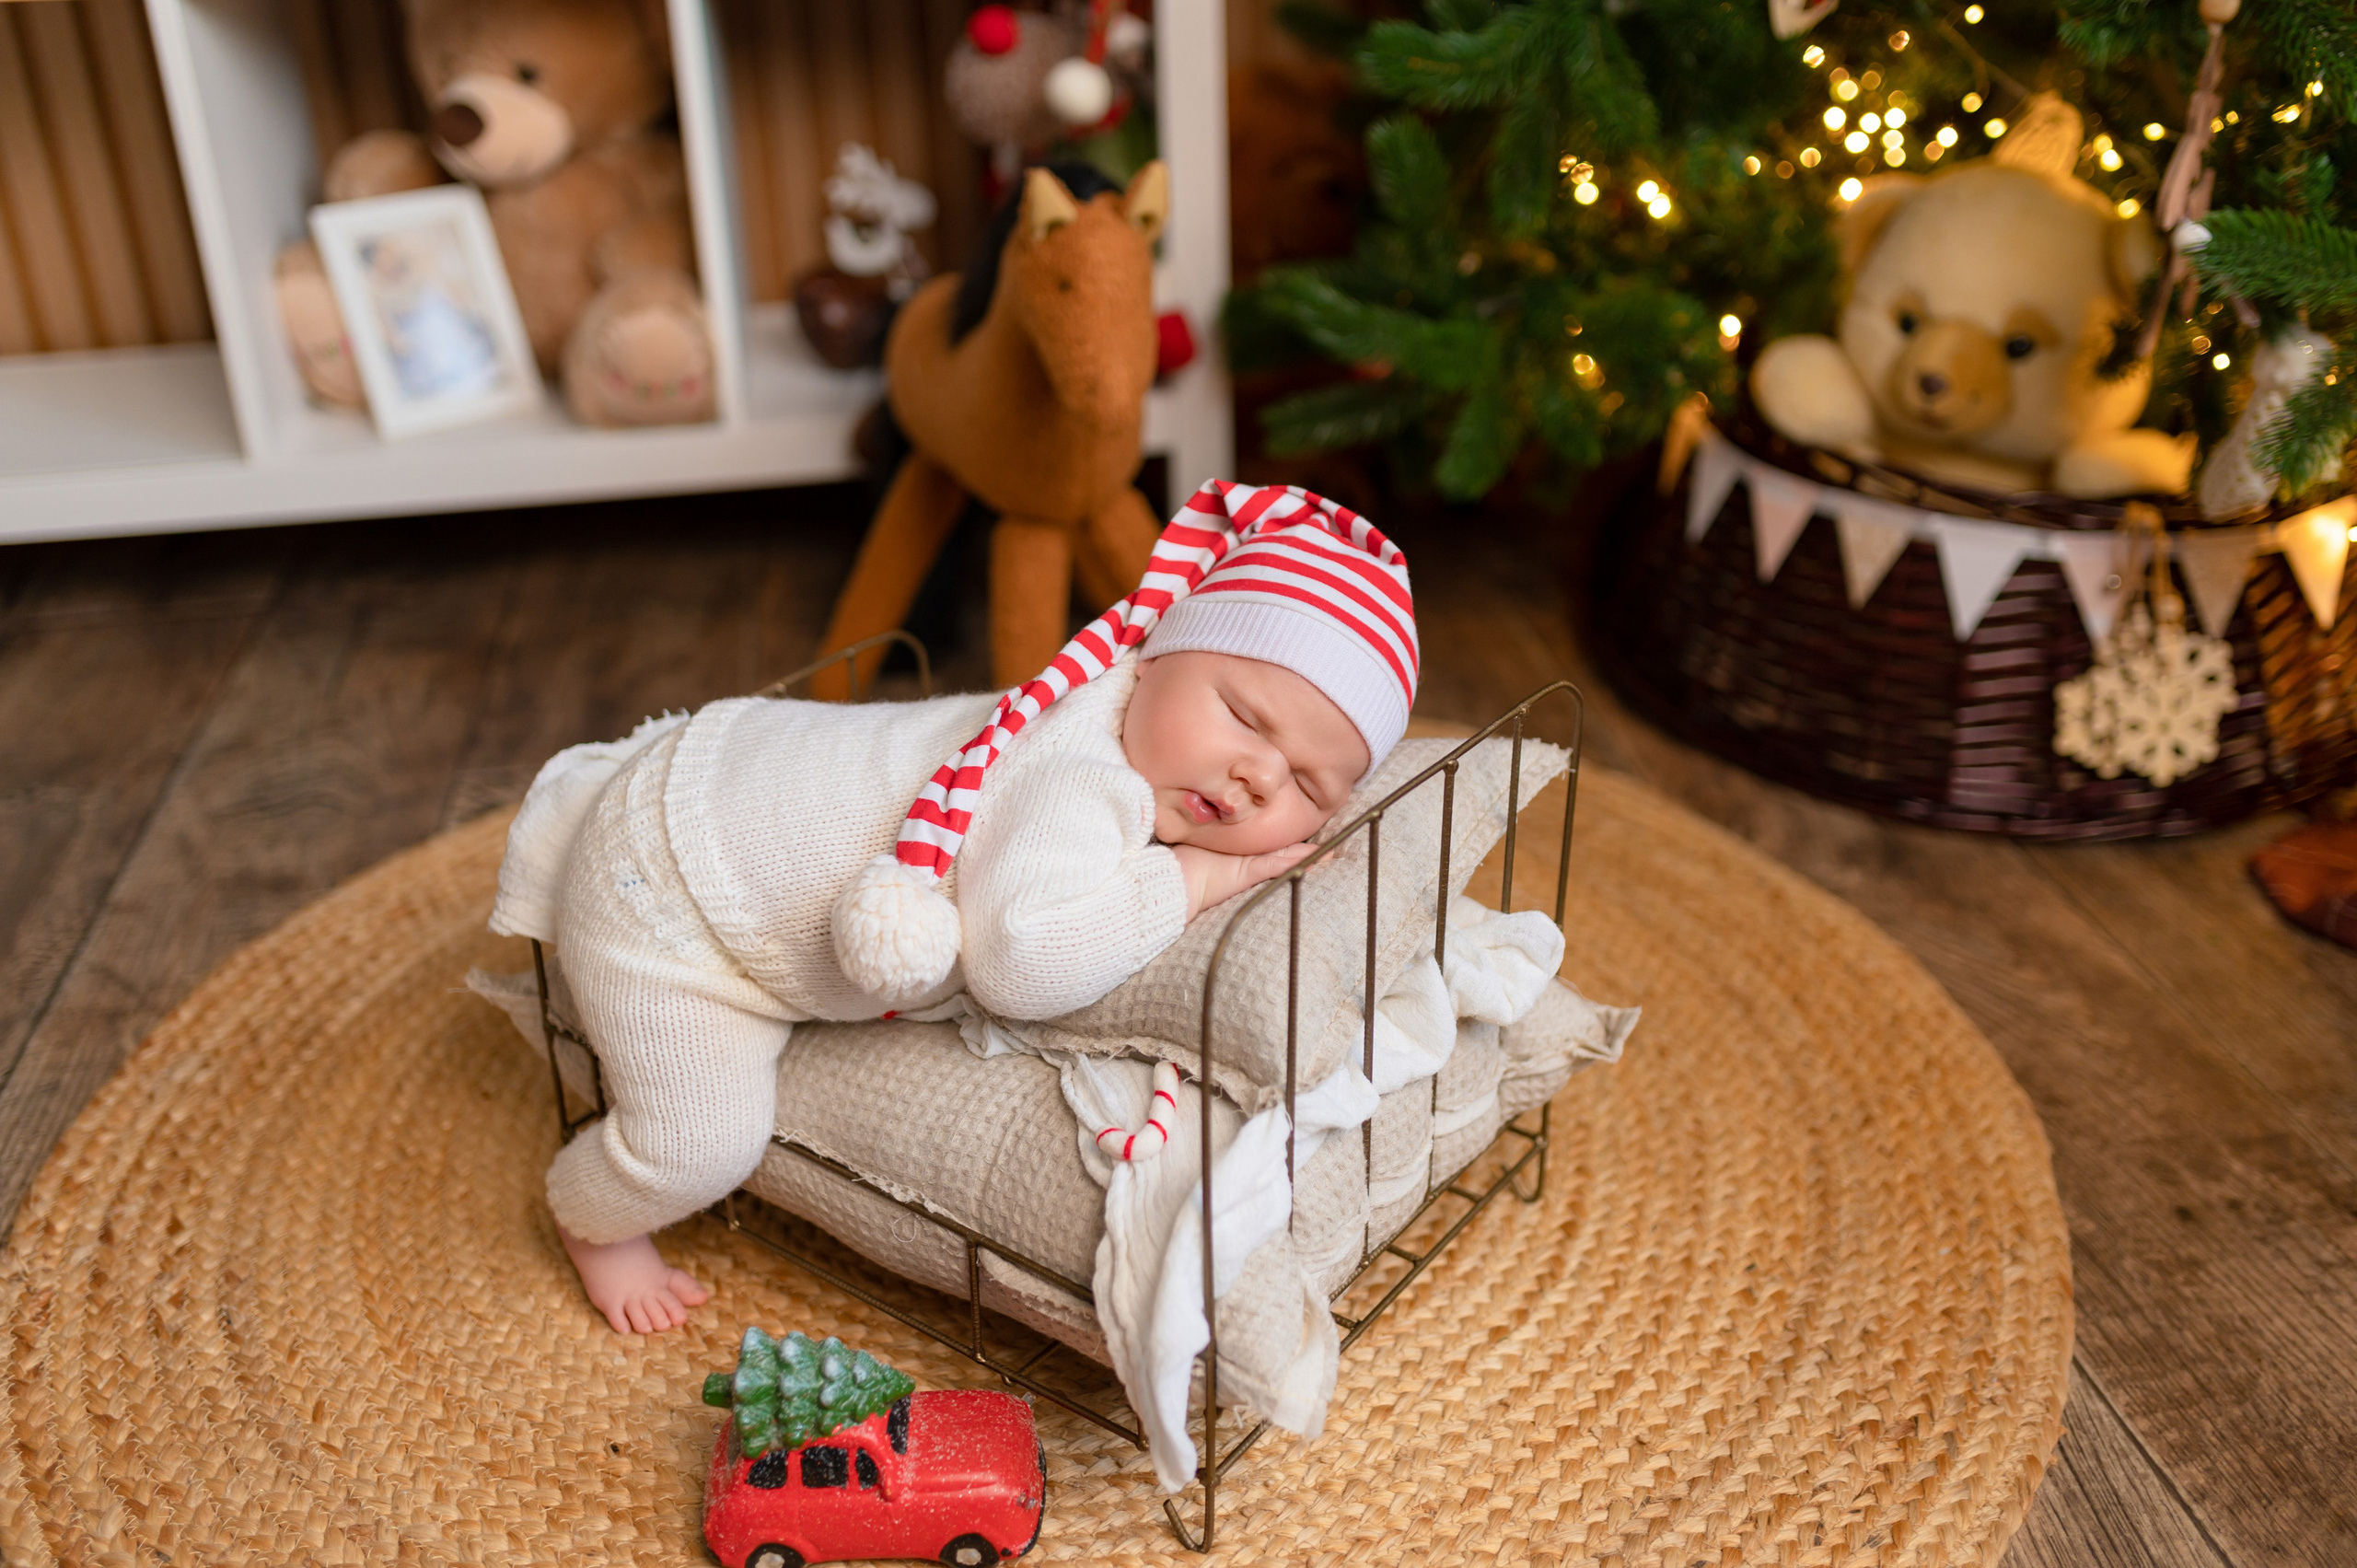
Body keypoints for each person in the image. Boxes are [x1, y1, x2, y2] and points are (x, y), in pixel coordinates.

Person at [490, 481, 1418, 1333]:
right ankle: (592, 1212)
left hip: (721, 778)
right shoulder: (1081, 778)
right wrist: (1199, 880)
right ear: (1153, 655)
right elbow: (1023, 962)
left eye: (1306, 782)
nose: (1258, 776)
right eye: (1246, 717)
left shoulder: (1109, 713)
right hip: (673, 900)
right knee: (705, 1143)